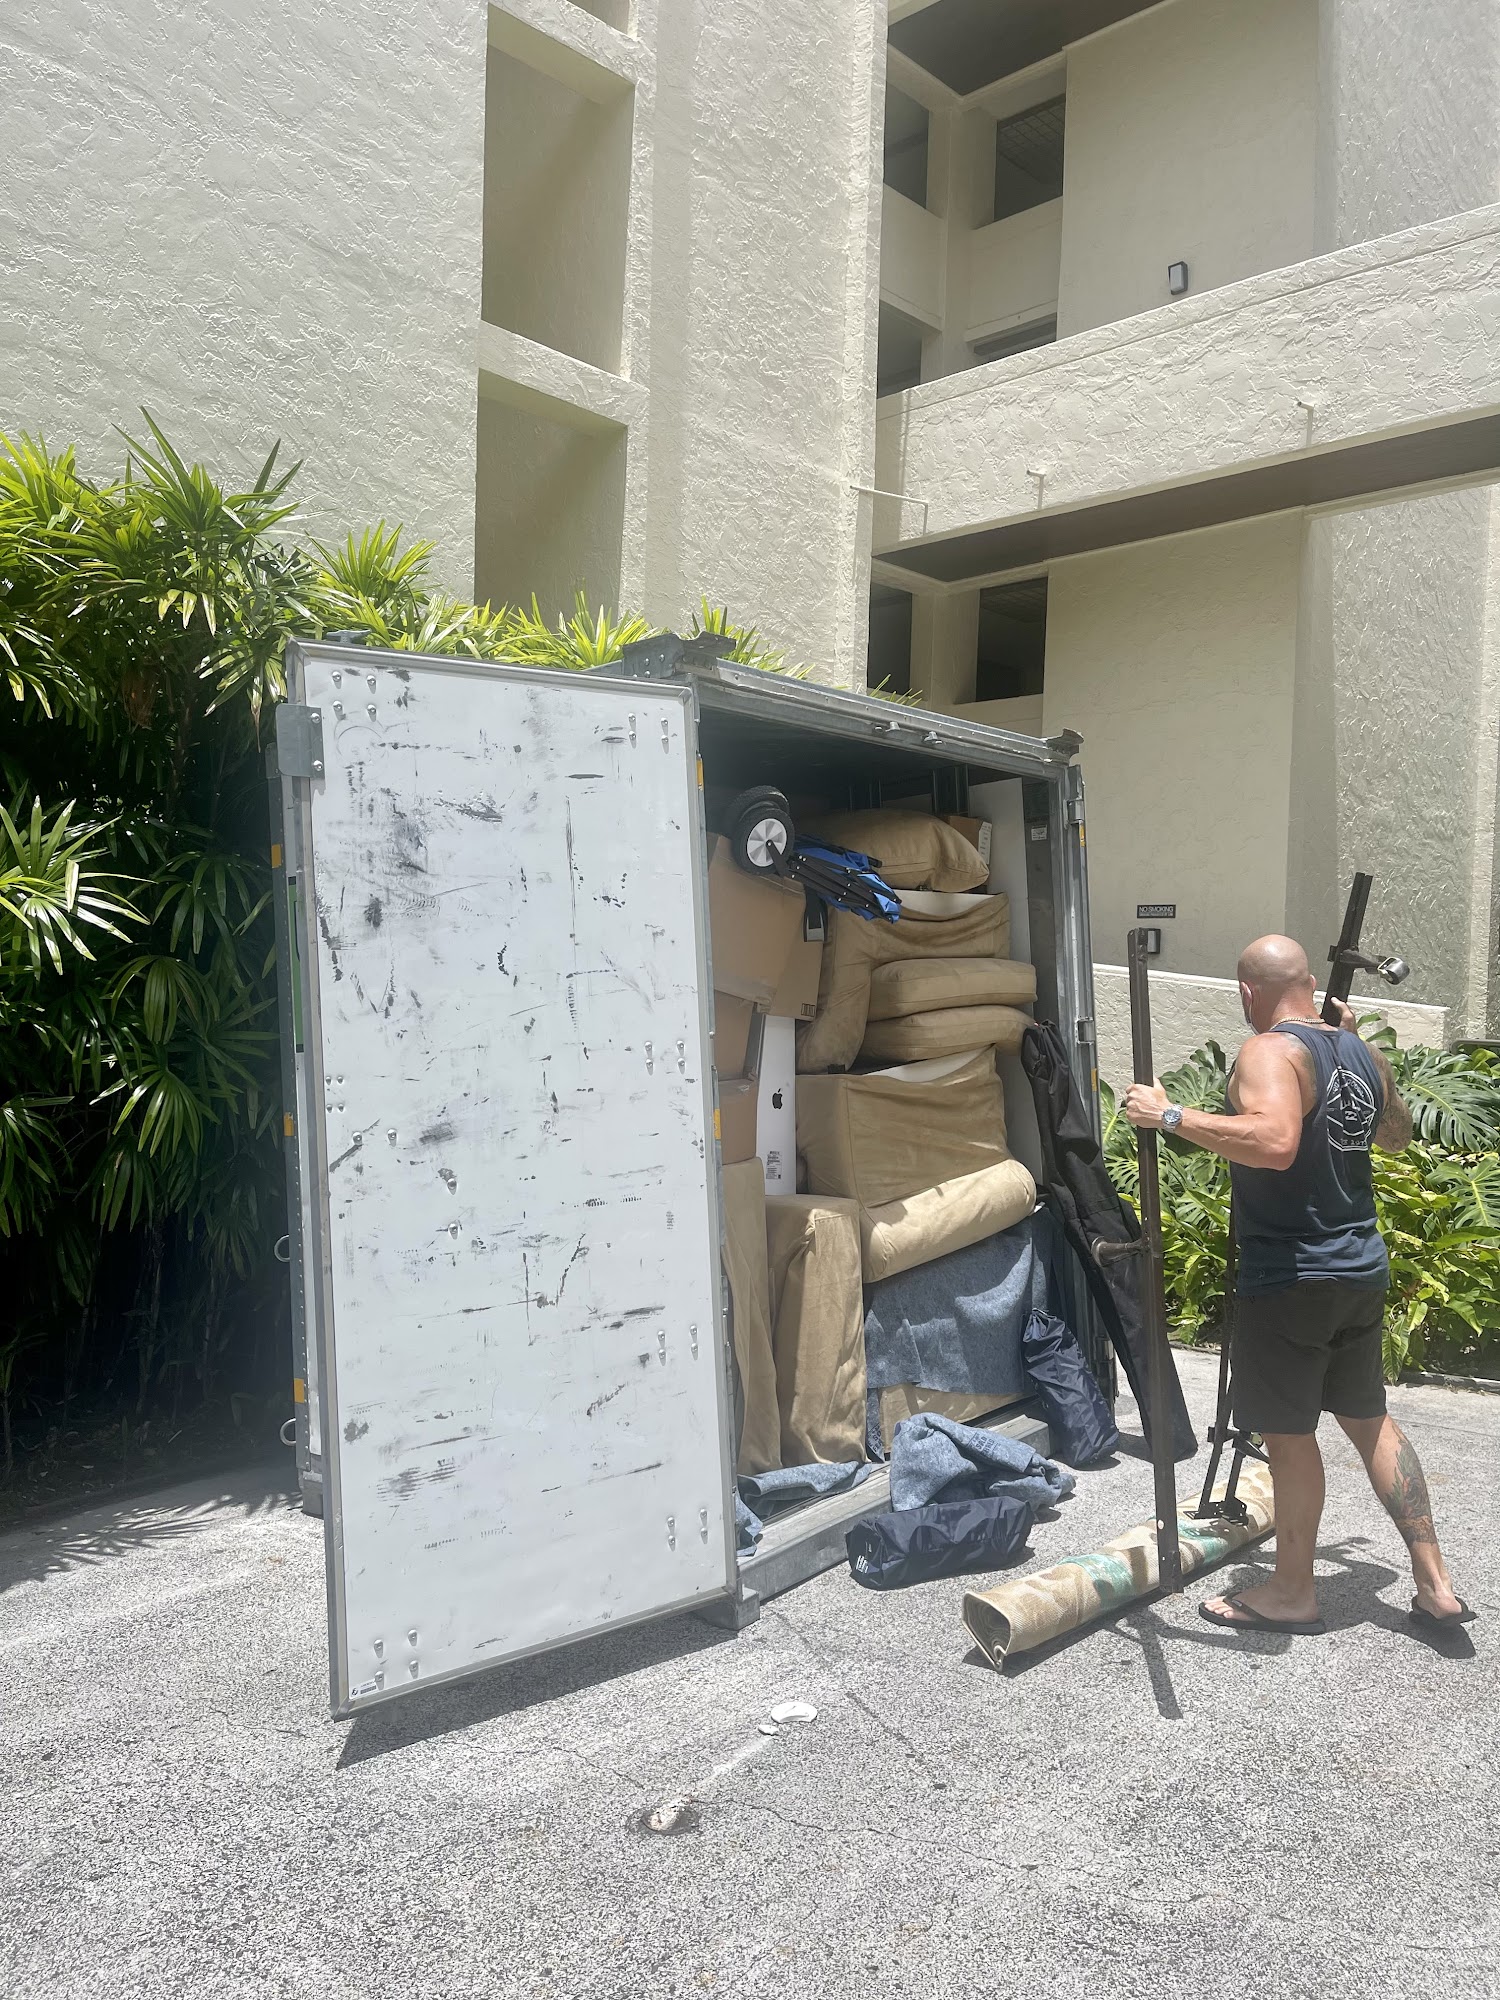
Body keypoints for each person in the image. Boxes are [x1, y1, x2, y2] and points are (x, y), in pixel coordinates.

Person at [1123, 934, 1470, 1636]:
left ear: (1247, 992)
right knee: (1369, 1421)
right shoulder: (1359, 1051)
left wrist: (1168, 1115)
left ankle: (1291, 1592)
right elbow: (1396, 1135)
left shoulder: (1268, 1051)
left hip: (1291, 1277)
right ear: (1311, 985)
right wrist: (1359, 1048)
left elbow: (1276, 1142)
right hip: (1358, 1267)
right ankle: (1436, 1585)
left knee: (1289, 1437)